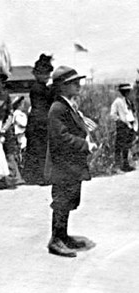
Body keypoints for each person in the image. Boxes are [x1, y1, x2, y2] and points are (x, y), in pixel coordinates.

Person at [45, 65, 97, 258]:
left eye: (78, 82)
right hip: (62, 165)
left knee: (69, 200)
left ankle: (63, 235)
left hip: (70, 164)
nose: (78, 85)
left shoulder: (68, 106)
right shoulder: (58, 108)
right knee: (61, 201)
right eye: (73, 83)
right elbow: (61, 137)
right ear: (61, 86)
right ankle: (55, 240)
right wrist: (85, 145)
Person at [23, 54, 54, 185]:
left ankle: (37, 176)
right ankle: (39, 176)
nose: (47, 76)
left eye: (48, 74)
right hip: (39, 121)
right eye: (44, 74)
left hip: (38, 120)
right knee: (39, 149)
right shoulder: (38, 88)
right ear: (37, 74)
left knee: (38, 149)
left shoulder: (42, 87)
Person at [110, 83, 137, 172]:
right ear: (125, 93)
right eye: (129, 92)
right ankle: (117, 166)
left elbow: (132, 113)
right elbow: (112, 114)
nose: (130, 94)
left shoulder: (129, 102)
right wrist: (119, 121)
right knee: (119, 146)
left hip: (130, 126)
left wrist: (133, 125)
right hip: (123, 126)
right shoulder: (118, 102)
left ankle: (125, 165)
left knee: (127, 146)